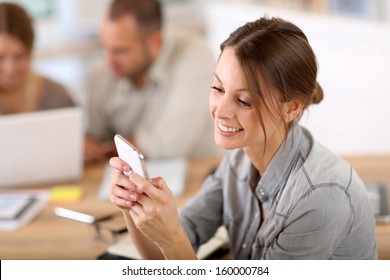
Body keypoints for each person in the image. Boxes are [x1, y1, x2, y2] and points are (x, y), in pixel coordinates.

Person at [108, 16, 378, 259]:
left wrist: (172, 237)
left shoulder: (319, 198)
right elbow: (160, 257)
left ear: (292, 108)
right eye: (217, 88)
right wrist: (132, 206)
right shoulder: (238, 161)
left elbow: (174, 244)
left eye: (244, 100)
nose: (220, 111)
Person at [85, 0, 219, 162]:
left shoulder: (195, 56)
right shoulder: (104, 72)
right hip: (134, 176)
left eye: (120, 50)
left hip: (198, 174)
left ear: (155, 42)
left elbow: (166, 144)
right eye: (105, 47)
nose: (108, 60)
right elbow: (94, 140)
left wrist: (108, 150)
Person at [0, 2, 74, 115]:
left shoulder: (56, 97)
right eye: (0, 57)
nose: (9, 68)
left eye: (18, 56)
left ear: (30, 51)